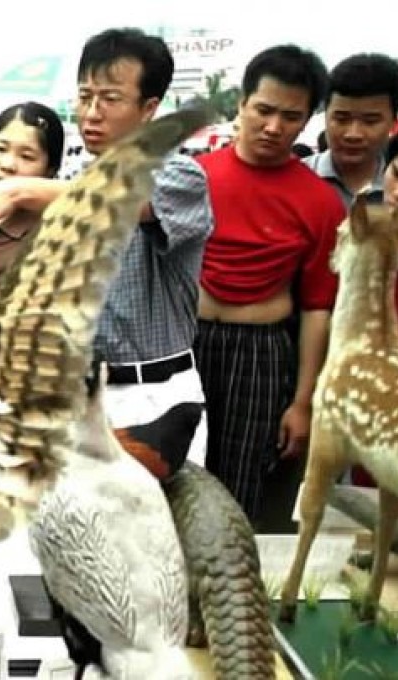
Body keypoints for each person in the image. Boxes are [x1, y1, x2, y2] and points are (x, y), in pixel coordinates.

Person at [0, 29, 214, 477]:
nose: (91, 112)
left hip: (153, 398)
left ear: (149, 108)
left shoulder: (181, 174)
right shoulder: (64, 185)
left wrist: (15, 188)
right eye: (85, 95)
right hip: (74, 398)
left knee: (156, 538)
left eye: (110, 99)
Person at [195, 45, 347, 530]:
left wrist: (302, 403)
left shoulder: (321, 203)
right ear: (240, 103)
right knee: (170, 472)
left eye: (291, 116)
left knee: (240, 484)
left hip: (260, 354)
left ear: (307, 120)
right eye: (263, 110)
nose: (274, 127)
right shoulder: (192, 177)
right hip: (185, 345)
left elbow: (319, 309)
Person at [0, 101, 64, 284]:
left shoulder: (50, 239)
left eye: (26, 156)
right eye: (0, 149)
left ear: (50, 170)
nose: (7, 165)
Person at [304, 53, 398, 207]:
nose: (353, 134)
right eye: (341, 119)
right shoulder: (293, 180)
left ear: (393, 123)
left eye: (370, 121)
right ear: (325, 116)